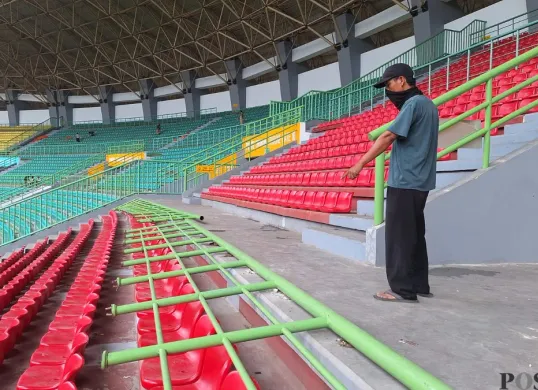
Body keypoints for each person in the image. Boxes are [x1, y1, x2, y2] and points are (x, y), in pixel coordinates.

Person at [342, 63, 439, 303]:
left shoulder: (413, 104)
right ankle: (419, 284)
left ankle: (401, 290)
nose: (388, 90)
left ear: (402, 81)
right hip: (420, 181)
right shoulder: (429, 105)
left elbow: (387, 136)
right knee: (415, 234)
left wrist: (359, 164)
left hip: (405, 181)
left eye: (389, 84)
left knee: (399, 237)